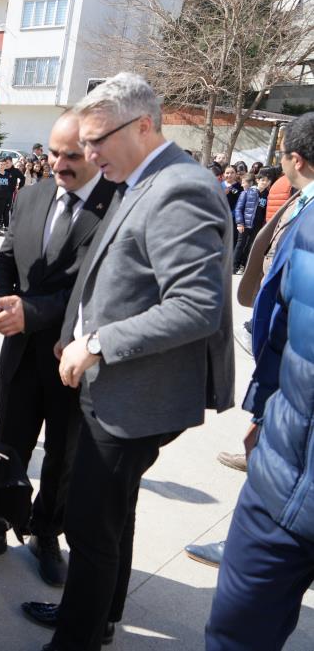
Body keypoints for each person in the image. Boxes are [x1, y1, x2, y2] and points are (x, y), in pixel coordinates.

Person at [23, 72, 234, 651]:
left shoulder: (178, 188)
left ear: (143, 126)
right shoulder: (143, 178)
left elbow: (196, 306)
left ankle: (76, 638)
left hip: (132, 394)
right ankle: (100, 615)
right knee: (115, 515)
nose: (88, 155)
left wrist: (97, 343)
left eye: (97, 141)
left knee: (91, 528)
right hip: (115, 386)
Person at [0, 111, 116, 585]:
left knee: (63, 455)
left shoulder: (115, 206)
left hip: (71, 358)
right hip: (18, 352)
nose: (59, 164)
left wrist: (33, 311)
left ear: (95, 153)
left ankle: (46, 531)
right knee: (7, 444)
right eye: (55, 152)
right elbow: (6, 258)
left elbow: (96, 288)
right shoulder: (34, 194)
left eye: (73, 155)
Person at [204, 118, 314, 651]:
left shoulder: (306, 216)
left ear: (293, 158)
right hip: (285, 462)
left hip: (289, 481)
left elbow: (278, 331)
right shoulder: (301, 212)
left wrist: (263, 409)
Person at [233, 170, 270, 274]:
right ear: (257, 180)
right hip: (245, 223)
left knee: (250, 246)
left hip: (257, 225)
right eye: (262, 180)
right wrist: (240, 223)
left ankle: (243, 266)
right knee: (240, 245)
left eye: (267, 181)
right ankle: (233, 266)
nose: (265, 183)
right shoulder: (247, 192)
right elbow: (238, 209)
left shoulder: (267, 195)